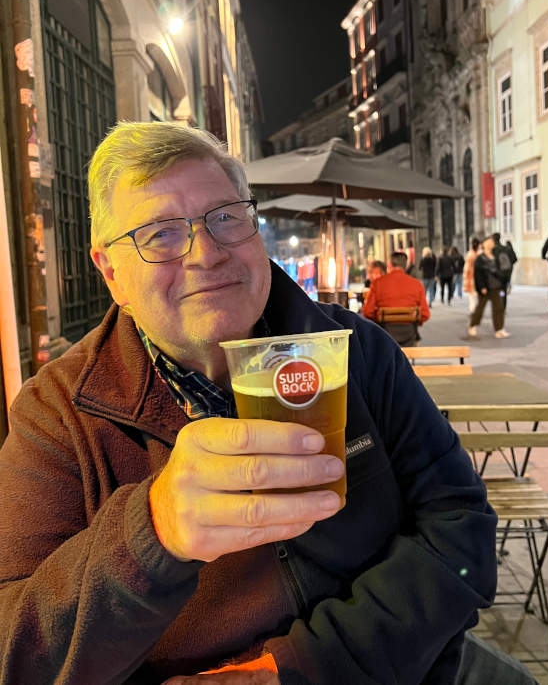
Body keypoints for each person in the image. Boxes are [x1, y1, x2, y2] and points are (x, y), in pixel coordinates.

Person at [0, 122, 502, 684]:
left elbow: (463, 531)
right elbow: (15, 654)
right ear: (111, 272)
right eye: (161, 233)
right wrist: (151, 532)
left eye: (225, 217)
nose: (207, 254)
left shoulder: (357, 353)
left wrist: (297, 668)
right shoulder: (58, 413)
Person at [362, 251, 430, 347]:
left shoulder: (378, 283)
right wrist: (413, 321)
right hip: (409, 335)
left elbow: (367, 312)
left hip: (385, 335)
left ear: (389, 265)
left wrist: (379, 317)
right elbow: (425, 314)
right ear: (406, 266)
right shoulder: (417, 284)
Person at [468, 234, 510, 339]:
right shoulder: (480, 258)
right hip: (485, 287)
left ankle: (499, 329)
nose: (491, 243)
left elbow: (501, 269)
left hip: (497, 286)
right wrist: (482, 287)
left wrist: (503, 281)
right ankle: (472, 325)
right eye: (489, 241)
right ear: (484, 244)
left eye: (492, 241)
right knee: (480, 309)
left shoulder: (495, 256)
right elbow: (477, 274)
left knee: (499, 308)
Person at [491, 233, 517, 310]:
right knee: (503, 290)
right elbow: (514, 259)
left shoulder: (493, 250)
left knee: (497, 291)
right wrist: (508, 268)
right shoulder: (506, 249)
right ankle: (503, 305)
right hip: (505, 274)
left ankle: (499, 305)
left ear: (493, 240)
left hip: (497, 275)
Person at [463, 237, 481, 316]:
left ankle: (473, 310)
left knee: (471, 297)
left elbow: (466, 269)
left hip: (471, 278)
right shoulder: (480, 254)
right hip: (480, 277)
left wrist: (465, 277)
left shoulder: (470, 254)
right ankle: (478, 309)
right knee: (479, 296)